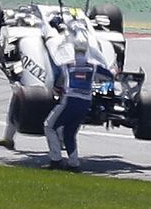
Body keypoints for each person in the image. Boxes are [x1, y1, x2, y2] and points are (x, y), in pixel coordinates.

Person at [43, 18, 114, 171]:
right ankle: (74, 163)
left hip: (70, 100)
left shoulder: (66, 65)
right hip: (85, 103)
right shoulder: (93, 67)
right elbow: (109, 76)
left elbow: (57, 82)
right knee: (70, 132)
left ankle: (55, 160)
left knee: (49, 126)